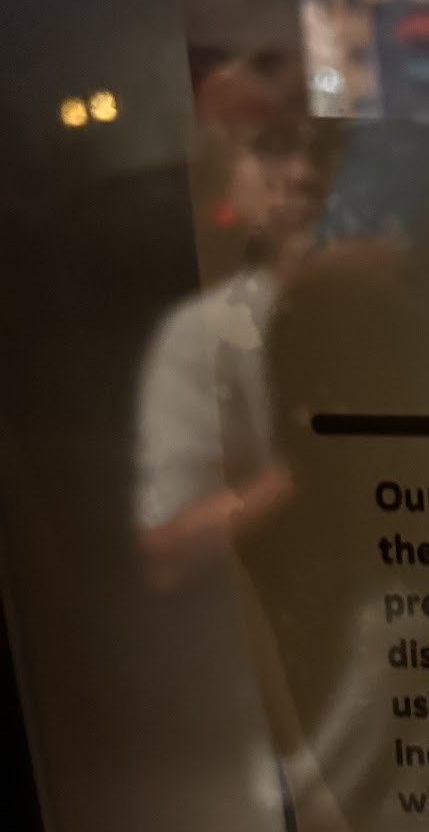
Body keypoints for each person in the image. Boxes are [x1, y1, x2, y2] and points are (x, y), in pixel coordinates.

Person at [133, 120, 328, 590]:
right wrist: (310, 469)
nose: (301, 174)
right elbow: (168, 549)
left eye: (328, 148)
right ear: (230, 185)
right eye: (273, 149)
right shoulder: (204, 332)